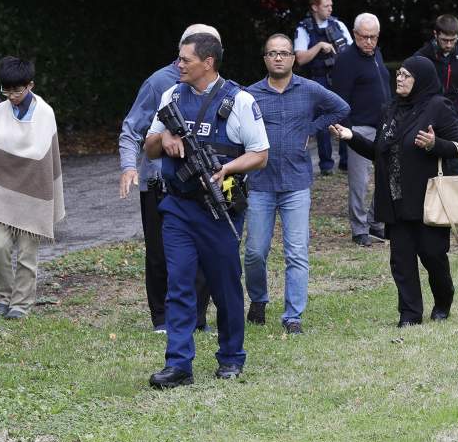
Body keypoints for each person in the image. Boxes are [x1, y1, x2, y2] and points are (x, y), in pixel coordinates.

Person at [145, 33, 269, 388]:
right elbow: (150, 147)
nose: (179, 64)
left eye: (185, 60)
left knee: (225, 285)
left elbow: (260, 154)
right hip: (178, 207)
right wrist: (164, 138)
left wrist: (228, 169)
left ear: (208, 62)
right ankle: (178, 363)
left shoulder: (240, 101)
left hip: (219, 210)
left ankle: (231, 358)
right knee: (179, 283)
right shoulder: (172, 96)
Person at [330, 56, 458, 326]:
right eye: (399, 74)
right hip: (395, 199)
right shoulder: (390, 109)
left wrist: (434, 144)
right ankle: (410, 314)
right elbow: (378, 152)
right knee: (401, 262)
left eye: (406, 75)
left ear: (421, 80)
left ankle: (443, 299)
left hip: (426, 198)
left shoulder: (438, 106)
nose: (399, 79)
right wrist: (352, 137)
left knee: (432, 256)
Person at [244, 34, 349, 333]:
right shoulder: (249, 95)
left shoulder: (310, 89)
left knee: (297, 251)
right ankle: (259, 299)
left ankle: (293, 317)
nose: (278, 58)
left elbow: (341, 108)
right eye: (272, 53)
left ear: (293, 57)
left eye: (284, 53)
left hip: (296, 183)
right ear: (264, 58)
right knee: (254, 251)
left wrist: (312, 128)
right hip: (260, 184)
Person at [118, 24, 219, 333]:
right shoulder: (160, 83)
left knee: (203, 251)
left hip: (199, 182)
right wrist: (129, 167)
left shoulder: (222, 89)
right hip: (158, 183)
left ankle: (197, 317)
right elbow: (131, 128)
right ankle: (161, 317)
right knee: (160, 253)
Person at [0, 56, 66, 319]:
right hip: (1, 195)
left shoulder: (45, 113)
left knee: (26, 254)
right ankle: (4, 295)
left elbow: (45, 157)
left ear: (30, 85)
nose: (11, 96)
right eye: (7, 90)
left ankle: (21, 304)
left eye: (17, 90)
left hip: (32, 194)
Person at [331, 12, 391, 246]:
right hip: (359, 127)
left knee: (386, 175)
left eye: (373, 37)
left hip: (383, 126)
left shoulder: (377, 54)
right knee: (359, 181)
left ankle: (376, 221)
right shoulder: (346, 59)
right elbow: (340, 97)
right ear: (355, 35)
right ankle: (359, 228)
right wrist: (347, 132)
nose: (369, 42)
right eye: (364, 37)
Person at [294, 0, 353, 176]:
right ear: (314, 7)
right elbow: (301, 59)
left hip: (339, 76)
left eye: (331, 5)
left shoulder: (338, 25)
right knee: (322, 122)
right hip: (317, 79)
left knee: (345, 116)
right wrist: (319, 46)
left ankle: (345, 163)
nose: (330, 9)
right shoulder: (304, 28)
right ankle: (326, 166)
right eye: (326, 6)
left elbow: (351, 51)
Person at [415, 14, 458, 122]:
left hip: (454, 118)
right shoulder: (420, 58)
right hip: (426, 120)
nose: (449, 45)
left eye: (453, 40)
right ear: (435, 34)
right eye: (444, 40)